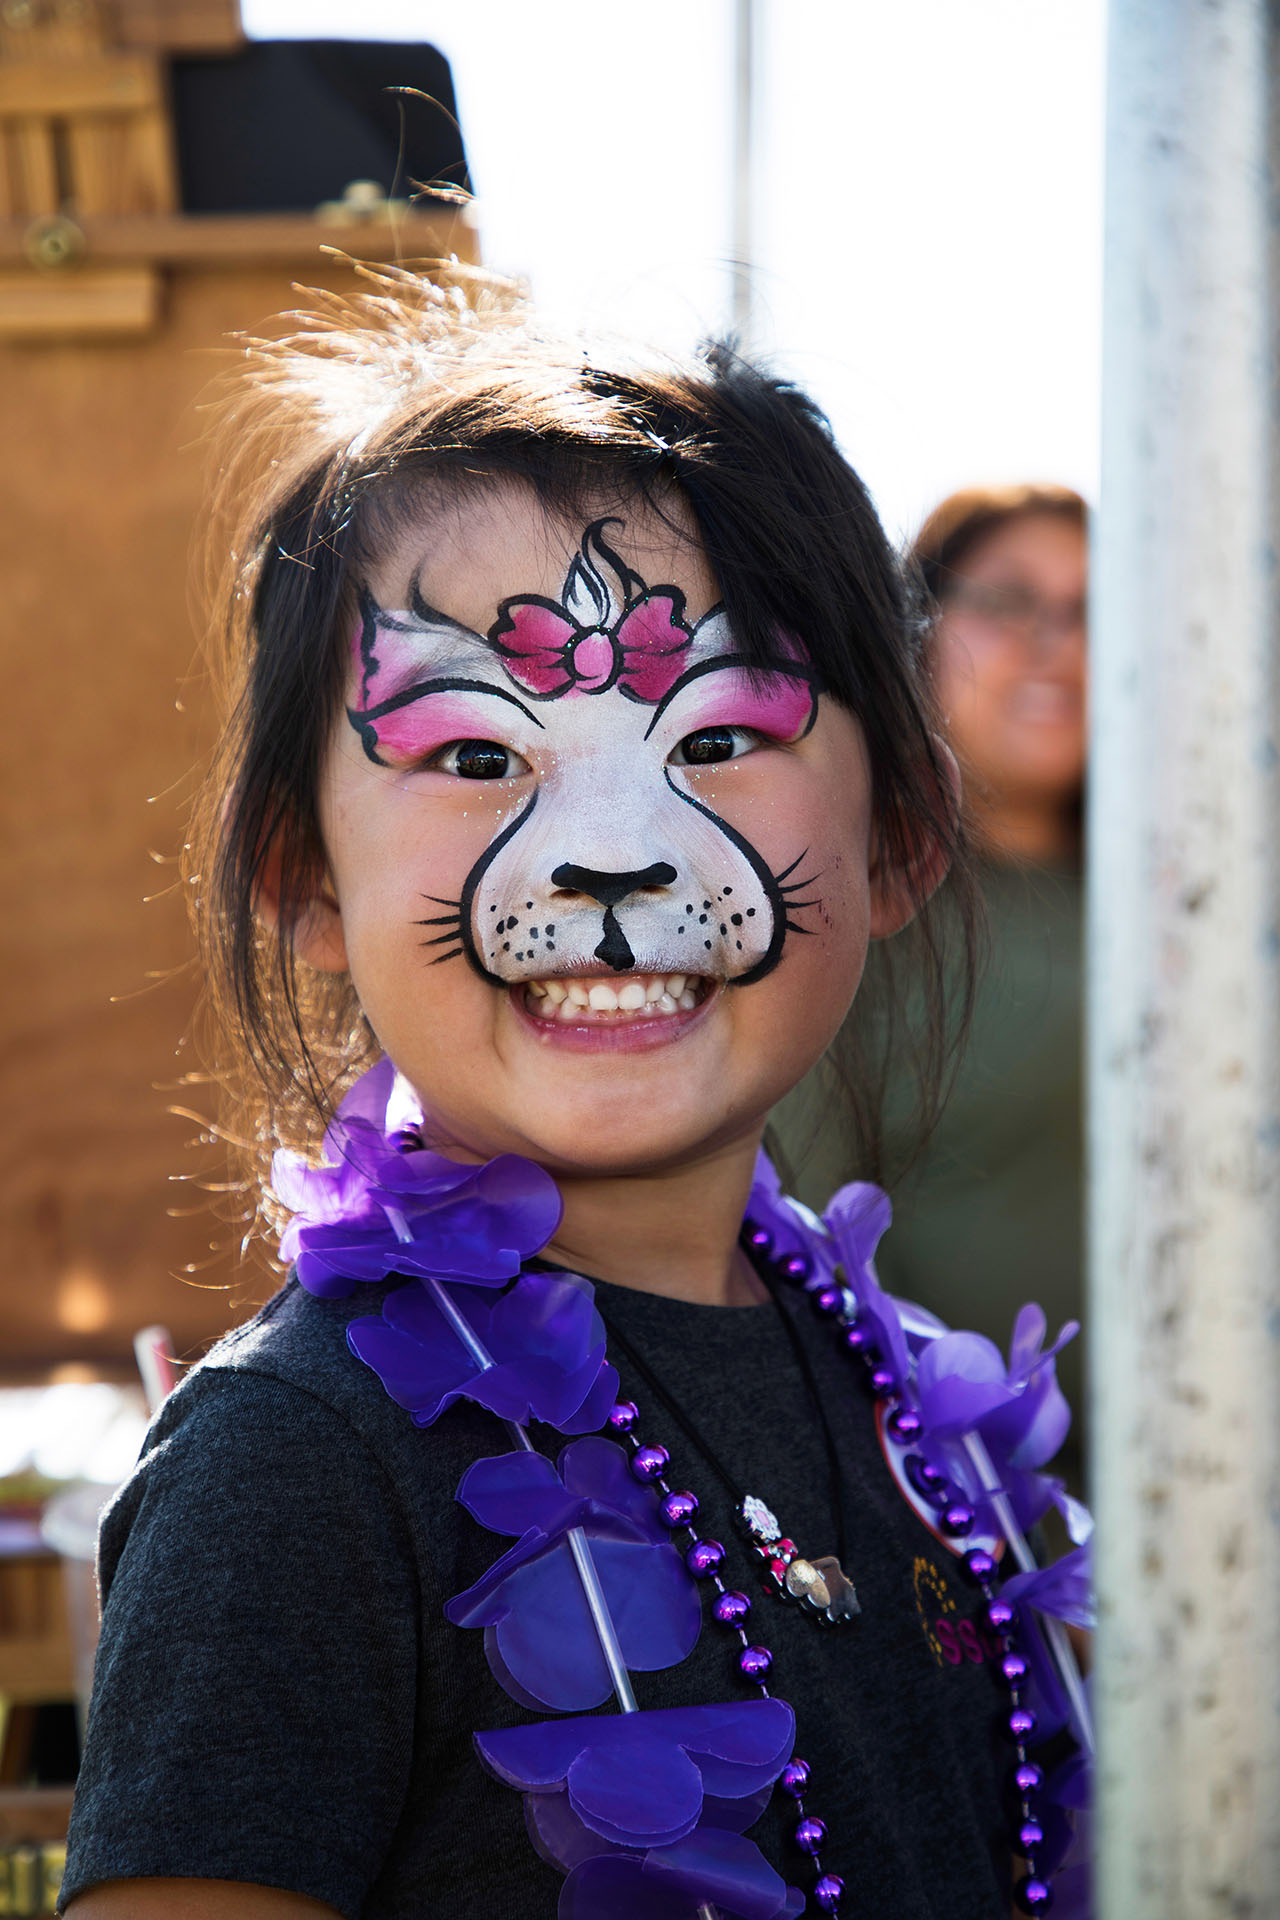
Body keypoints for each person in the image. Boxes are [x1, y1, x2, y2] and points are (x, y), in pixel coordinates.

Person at [60, 275, 1090, 1920]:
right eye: (478, 758)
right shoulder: (298, 1471)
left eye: (719, 738)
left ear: (899, 836)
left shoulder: (921, 1427)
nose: (614, 854)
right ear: (304, 878)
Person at [771, 486, 1088, 1483]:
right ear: (916, 631)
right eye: (1008, 601)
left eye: (1095, 612)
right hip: (949, 1493)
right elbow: (809, 1235)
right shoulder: (850, 901)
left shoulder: (1205, 912)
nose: (1057, 645)